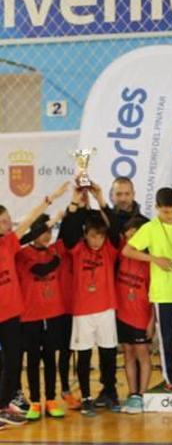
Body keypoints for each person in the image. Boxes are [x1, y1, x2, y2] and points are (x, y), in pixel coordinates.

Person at [0, 182, 69, 428]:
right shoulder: (13, 248)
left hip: (12, 315)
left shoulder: (8, 244)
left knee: (14, 362)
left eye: (8, 220)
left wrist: (51, 200)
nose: (9, 224)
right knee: (9, 362)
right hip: (9, 316)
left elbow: (29, 225)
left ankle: (6, 405)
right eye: (4, 221)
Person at [123, 188, 172, 392]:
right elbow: (127, 250)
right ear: (156, 208)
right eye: (165, 212)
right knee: (166, 338)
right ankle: (170, 378)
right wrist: (155, 259)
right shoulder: (149, 228)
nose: (170, 216)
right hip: (163, 294)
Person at [59, 183, 120, 417]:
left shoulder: (109, 249)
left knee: (108, 354)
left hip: (106, 309)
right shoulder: (76, 249)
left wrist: (101, 198)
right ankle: (86, 397)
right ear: (85, 235)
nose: (97, 241)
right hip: (83, 311)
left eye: (101, 237)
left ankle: (111, 391)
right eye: (93, 237)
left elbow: (115, 227)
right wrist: (76, 203)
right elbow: (67, 230)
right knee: (83, 355)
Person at [16, 214, 68, 420]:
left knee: (50, 358)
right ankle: (36, 401)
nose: (47, 236)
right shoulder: (23, 254)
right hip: (30, 316)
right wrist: (56, 259)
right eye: (43, 232)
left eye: (49, 231)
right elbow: (41, 270)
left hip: (53, 314)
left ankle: (51, 399)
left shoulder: (55, 249)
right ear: (35, 233)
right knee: (33, 359)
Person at [115, 217, 154, 414]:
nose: (132, 234)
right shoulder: (122, 254)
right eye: (129, 230)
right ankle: (132, 394)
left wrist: (151, 321)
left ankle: (143, 394)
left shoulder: (149, 262)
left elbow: (154, 295)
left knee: (142, 355)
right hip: (122, 315)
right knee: (128, 354)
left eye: (136, 231)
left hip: (141, 316)